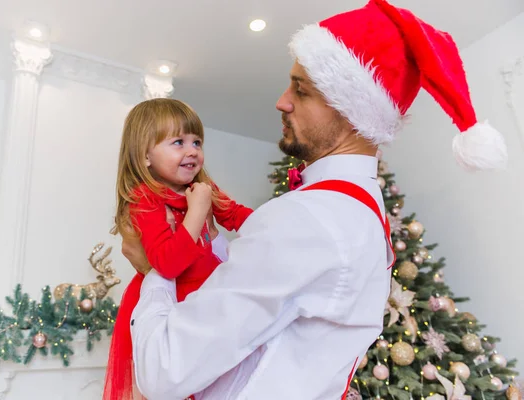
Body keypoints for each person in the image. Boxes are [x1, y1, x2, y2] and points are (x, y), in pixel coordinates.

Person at [126, 0, 508, 398]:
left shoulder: (309, 218)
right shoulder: (357, 212)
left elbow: (163, 371)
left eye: (301, 89)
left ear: (350, 111)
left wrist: (153, 273)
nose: (282, 101)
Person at [102, 98, 253, 400]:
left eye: (197, 141)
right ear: (145, 155)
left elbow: (239, 216)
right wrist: (198, 212)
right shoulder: (144, 199)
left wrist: (280, 225)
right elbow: (168, 264)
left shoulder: (203, 188)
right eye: (178, 142)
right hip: (169, 304)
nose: (192, 150)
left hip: (206, 300)